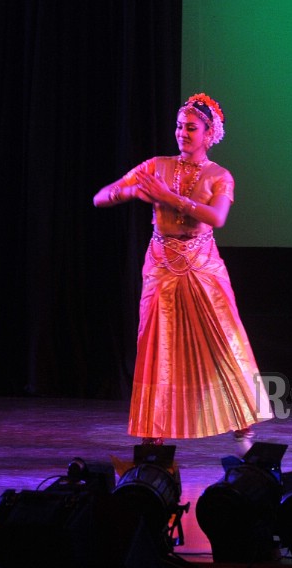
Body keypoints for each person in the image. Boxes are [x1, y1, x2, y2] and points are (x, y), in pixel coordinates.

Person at [94, 92, 268, 456]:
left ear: (209, 134)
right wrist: (128, 193)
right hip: (161, 262)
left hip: (203, 265)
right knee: (157, 343)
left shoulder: (220, 175)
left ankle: (244, 417)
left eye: (191, 128)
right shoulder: (157, 166)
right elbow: (101, 196)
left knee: (224, 337)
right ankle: (152, 430)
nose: (182, 133)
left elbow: (217, 218)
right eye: (179, 126)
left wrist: (170, 199)